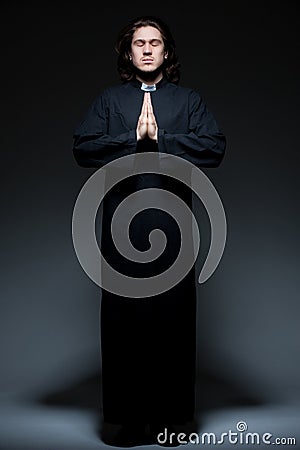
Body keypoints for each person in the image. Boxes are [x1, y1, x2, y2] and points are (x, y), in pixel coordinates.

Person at [72, 15, 226, 446]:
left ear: (166, 52)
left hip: (174, 227)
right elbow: (83, 147)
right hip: (122, 228)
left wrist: (162, 139)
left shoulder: (188, 100)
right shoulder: (109, 100)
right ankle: (127, 419)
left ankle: (172, 419)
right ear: (128, 51)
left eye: (154, 43)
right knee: (123, 321)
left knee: (173, 322)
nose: (146, 50)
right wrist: (132, 139)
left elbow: (215, 147)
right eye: (138, 43)